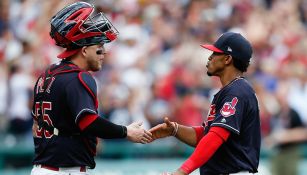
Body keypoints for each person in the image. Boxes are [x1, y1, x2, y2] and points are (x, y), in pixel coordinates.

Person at [30, 2, 152, 175]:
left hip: (42, 168)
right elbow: (88, 122)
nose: (103, 54)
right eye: (99, 48)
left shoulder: (47, 74)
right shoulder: (79, 77)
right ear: (85, 50)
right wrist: (126, 132)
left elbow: (36, 125)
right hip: (64, 170)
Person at [149, 32, 261, 175]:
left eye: (215, 54)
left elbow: (216, 136)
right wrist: (175, 130)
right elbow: (206, 135)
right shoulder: (231, 90)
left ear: (227, 59)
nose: (210, 58)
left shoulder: (237, 91)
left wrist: (182, 171)